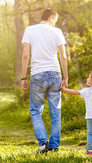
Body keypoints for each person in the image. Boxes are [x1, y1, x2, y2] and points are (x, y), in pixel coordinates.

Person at [21, 8, 68, 153]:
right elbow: (63, 57)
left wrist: (24, 77)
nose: (55, 23)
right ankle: (54, 146)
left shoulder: (30, 30)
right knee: (56, 112)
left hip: (37, 75)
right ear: (51, 18)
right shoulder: (57, 32)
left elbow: (25, 55)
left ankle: (43, 143)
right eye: (55, 20)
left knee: (35, 111)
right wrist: (65, 77)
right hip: (55, 74)